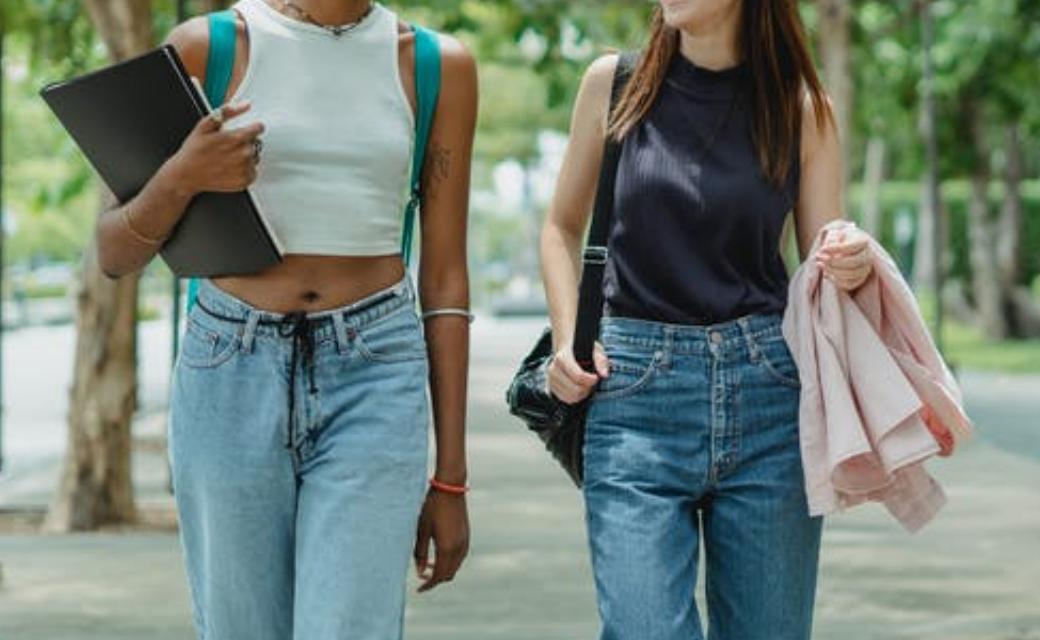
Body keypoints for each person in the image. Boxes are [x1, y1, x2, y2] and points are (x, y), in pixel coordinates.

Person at [95, 1, 477, 638]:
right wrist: (186, 174)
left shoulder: (437, 66)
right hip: (230, 367)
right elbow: (113, 250)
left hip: (376, 370)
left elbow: (445, 279)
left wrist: (452, 479)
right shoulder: (207, 48)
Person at [541, 1, 873, 639]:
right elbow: (559, 228)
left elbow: (821, 263)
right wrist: (566, 340)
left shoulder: (802, 106)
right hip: (633, 395)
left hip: (768, 398)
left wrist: (850, 260)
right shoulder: (613, 84)